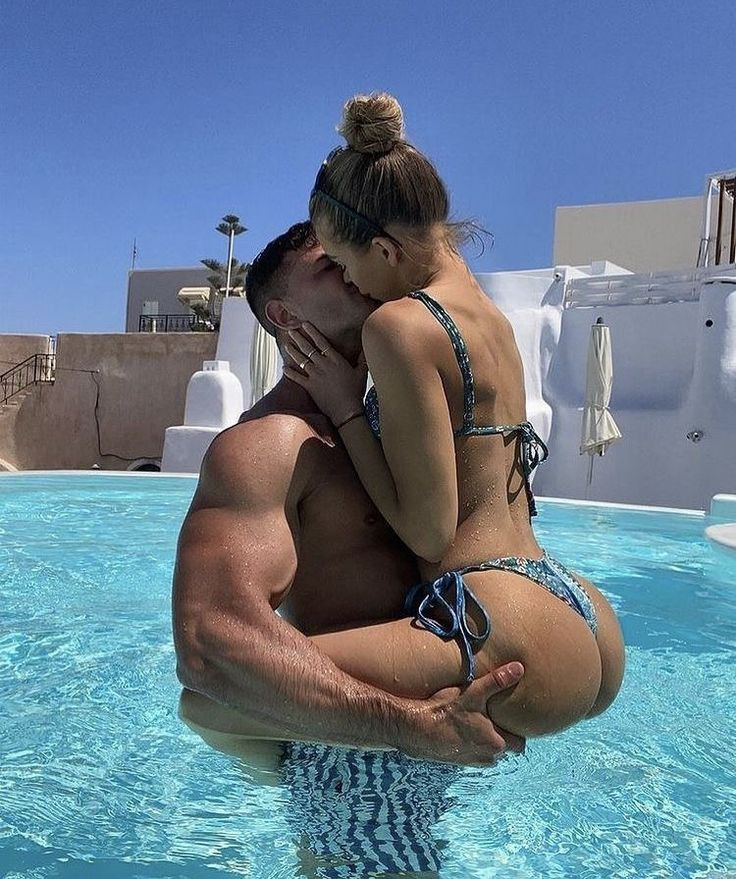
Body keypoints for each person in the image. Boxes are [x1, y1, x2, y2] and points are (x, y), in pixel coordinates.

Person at [281, 92, 625, 738]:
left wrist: (345, 406)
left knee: (228, 689)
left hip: (493, 614)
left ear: (384, 250)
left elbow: (431, 533)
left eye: (347, 265)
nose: (351, 284)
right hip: (571, 603)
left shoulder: (400, 326)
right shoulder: (489, 317)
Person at [173, 221, 526, 766]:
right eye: (330, 266)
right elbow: (210, 644)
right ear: (284, 316)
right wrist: (406, 725)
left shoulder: (387, 423)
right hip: (350, 752)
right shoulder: (270, 443)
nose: (354, 269)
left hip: (437, 737)